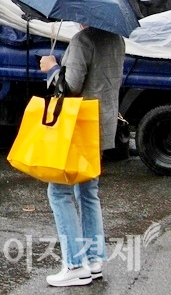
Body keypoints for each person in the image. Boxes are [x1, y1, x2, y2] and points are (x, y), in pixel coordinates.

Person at [38, 25, 125, 287]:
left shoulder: (83, 40)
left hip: (76, 128)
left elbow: (70, 87)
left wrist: (51, 68)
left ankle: (74, 265)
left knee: (59, 192)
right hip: (100, 126)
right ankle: (94, 260)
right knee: (88, 193)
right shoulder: (117, 39)